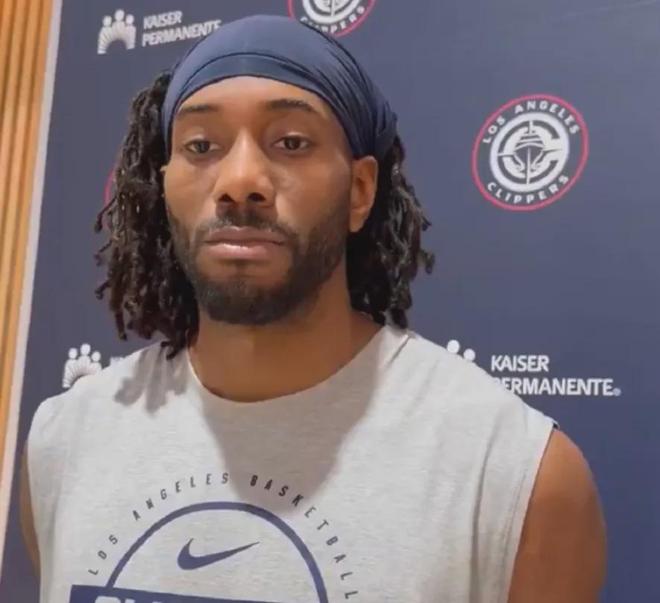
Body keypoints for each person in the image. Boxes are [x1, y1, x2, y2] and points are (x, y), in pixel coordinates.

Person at [19, 14, 606, 603]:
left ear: (360, 191)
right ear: (164, 184)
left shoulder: (512, 475)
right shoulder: (65, 442)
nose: (240, 180)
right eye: (201, 146)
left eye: (291, 143)